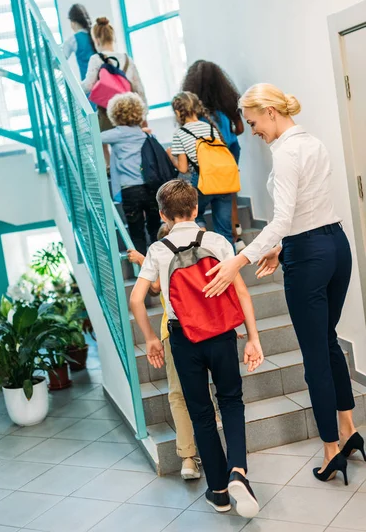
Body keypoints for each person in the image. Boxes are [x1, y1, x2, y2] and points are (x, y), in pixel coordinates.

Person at [203, 83, 362, 486]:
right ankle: (349, 431)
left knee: (315, 355)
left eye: (254, 122)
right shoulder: (313, 142)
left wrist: (239, 259)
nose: (252, 130)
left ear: (271, 111)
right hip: (335, 244)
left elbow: (281, 218)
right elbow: (306, 209)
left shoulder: (286, 152)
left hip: (308, 254)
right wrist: (278, 248)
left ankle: (330, 451)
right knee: (328, 341)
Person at [130, 179, 263, 517]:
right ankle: (238, 473)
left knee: (201, 413)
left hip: (183, 339)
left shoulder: (159, 250)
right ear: (196, 209)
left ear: (162, 214)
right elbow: (242, 293)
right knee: (231, 402)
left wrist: (149, 339)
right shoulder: (217, 241)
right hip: (220, 334)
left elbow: (136, 299)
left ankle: (218, 492)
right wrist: (253, 337)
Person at [127, 223, 224, 481]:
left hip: (174, 333)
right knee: (206, 393)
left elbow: (152, 289)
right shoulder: (204, 250)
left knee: (178, 395)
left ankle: (188, 457)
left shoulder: (160, 253)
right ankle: (206, 453)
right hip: (206, 327)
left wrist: (141, 260)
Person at [182, 60, 246, 252]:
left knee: (197, 204)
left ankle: (203, 241)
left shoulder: (195, 116)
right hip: (230, 153)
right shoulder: (226, 106)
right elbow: (240, 129)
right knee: (229, 189)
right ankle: (237, 232)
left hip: (205, 167)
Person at [168, 91, 234, 244]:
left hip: (201, 182)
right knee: (224, 231)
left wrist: (171, 156)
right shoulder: (210, 128)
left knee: (193, 215)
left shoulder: (180, 133)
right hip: (221, 180)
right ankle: (229, 264)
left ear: (178, 112)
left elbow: (183, 169)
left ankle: (206, 245)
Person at [101, 92, 159, 255]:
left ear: (114, 114)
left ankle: (143, 271)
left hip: (130, 190)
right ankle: (160, 268)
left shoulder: (116, 134)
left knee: (136, 233)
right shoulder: (143, 133)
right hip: (150, 187)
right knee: (154, 229)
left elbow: (93, 137)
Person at [82, 17, 147, 133]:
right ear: (113, 38)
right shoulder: (127, 59)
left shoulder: (96, 59)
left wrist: (72, 86)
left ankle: (106, 152)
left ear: (96, 40)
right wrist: (144, 114)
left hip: (107, 109)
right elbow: (139, 89)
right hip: (129, 110)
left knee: (101, 139)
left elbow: (88, 85)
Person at [62, 4, 96, 80]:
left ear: (73, 23)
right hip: (103, 83)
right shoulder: (95, 34)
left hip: (88, 86)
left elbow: (61, 59)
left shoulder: (73, 40)